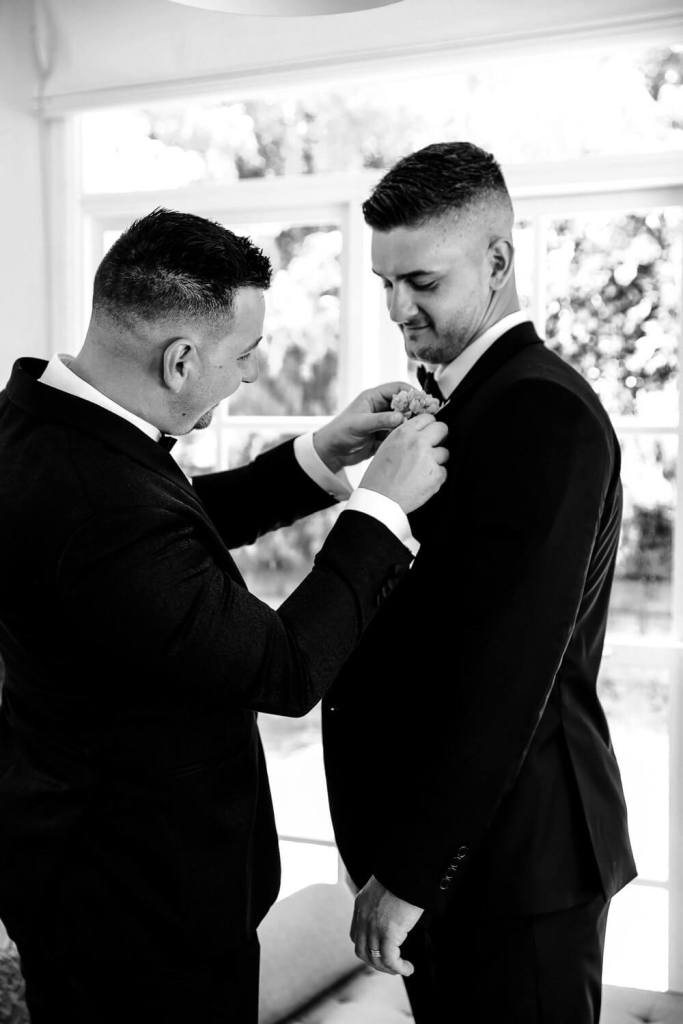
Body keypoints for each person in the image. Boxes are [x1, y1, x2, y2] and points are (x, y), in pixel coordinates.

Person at [0, 208, 449, 1024]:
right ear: (179, 360)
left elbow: (168, 529)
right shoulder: (99, 503)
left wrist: (322, 455)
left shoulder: (42, 428)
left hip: (81, 871)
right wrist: (380, 510)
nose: (248, 376)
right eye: (243, 356)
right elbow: (284, 668)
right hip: (137, 909)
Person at [322, 142, 637, 1023]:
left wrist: (414, 870)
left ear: (498, 261)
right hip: (470, 854)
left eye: (420, 280)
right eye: (384, 282)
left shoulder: (540, 409)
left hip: (514, 863)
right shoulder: (460, 402)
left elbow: (509, 670)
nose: (396, 308)